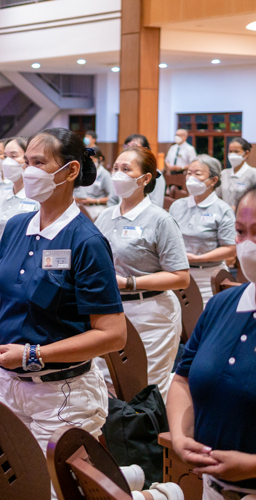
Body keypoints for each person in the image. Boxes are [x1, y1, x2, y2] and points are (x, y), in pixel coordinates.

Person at [0, 128, 125, 497]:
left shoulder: (85, 240)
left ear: (70, 171)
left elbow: (112, 334)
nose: (28, 171)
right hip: (8, 385)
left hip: (62, 393)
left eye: (39, 163)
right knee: (15, 487)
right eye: (27, 162)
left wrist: (33, 354)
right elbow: (4, 291)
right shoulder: (15, 227)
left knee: (54, 491)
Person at [167, 186, 256, 499]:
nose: (248, 246)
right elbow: (182, 379)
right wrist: (179, 436)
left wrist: (253, 465)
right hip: (214, 488)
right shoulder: (222, 305)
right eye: (241, 233)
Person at [95, 146, 189, 400]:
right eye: (115, 168)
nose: (117, 175)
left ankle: (155, 440)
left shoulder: (160, 220)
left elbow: (181, 277)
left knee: (146, 391)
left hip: (151, 314)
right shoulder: (105, 217)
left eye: (126, 169)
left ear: (145, 178)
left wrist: (128, 282)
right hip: (110, 312)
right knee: (107, 387)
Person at [169, 155, 236, 306]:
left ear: (213, 180)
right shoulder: (177, 206)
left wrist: (198, 258)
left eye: (197, 174)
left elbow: (230, 249)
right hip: (178, 274)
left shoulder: (222, 209)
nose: (191, 178)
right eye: (188, 173)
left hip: (209, 276)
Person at [0, 137, 39, 280]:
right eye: (5, 156)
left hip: (21, 275)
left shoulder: (38, 199)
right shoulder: (0, 196)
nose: (7, 161)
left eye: (13, 156)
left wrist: (6, 260)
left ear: (28, 160)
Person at [108, 134, 166, 208]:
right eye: (127, 146)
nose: (129, 150)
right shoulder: (117, 174)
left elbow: (156, 204)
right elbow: (112, 201)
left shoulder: (156, 175)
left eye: (134, 146)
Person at [216, 138, 256, 209]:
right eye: (230, 151)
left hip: (245, 216)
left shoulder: (253, 174)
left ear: (246, 153)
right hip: (226, 216)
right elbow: (218, 196)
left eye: (236, 151)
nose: (232, 155)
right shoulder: (224, 174)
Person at [75, 146, 113, 220]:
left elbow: (111, 197)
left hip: (97, 207)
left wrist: (94, 201)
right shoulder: (82, 172)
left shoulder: (104, 174)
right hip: (82, 205)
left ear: (99, 159)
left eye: (91, 160)